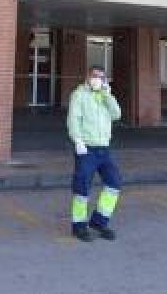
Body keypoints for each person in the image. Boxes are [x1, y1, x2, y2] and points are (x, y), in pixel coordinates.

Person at [67, 65, 123, 242]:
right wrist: (78, 141)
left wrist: (107, 94)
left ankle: (99, 222)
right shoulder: (79, 95)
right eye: (94, 76)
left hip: (104, 149)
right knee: (82, 187)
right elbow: (73, 119)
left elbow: (117, 114)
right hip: (86, 149)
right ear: (88, 77)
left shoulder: (105, 95)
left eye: (101, 77)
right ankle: (79, 226)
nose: (97, 79)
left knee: (114, 183)